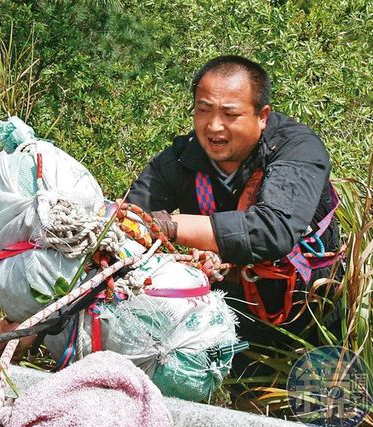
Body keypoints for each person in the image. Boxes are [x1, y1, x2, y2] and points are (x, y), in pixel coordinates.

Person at [126, 55, 343, 350]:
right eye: (203, 111)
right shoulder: (181, 159)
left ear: (262, 116)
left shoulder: (296, 149)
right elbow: (131, 216)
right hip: (225, 314)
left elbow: (272, 230)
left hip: (311, 315)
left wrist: (167, 225)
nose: (214, 126)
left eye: (230, 114)